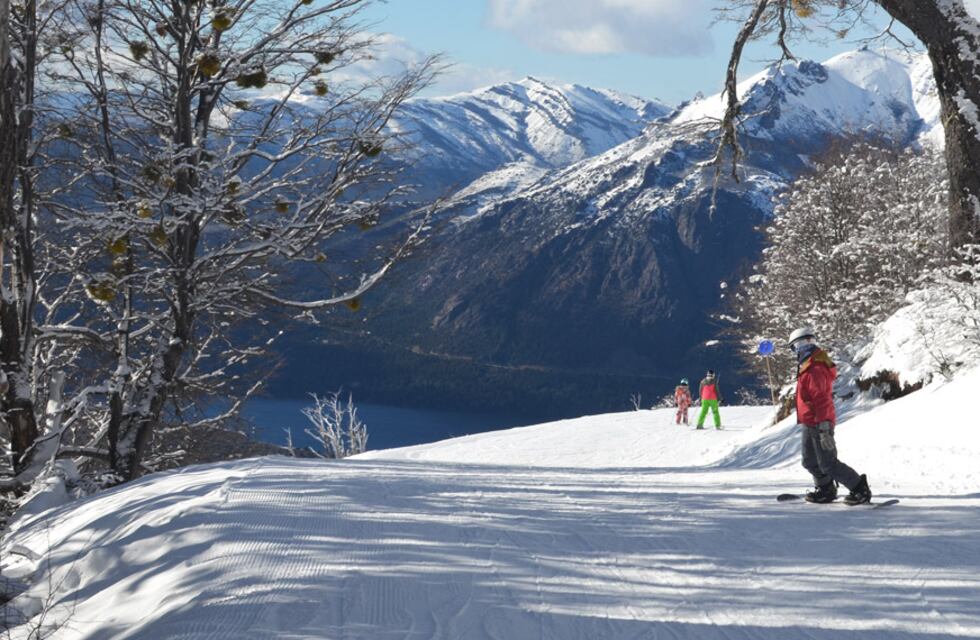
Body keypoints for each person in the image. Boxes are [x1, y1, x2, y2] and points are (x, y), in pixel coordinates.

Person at [789, 327, 872, 505]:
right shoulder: (807, 367)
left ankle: (859, 488)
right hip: (809, 422)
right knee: (809, 461)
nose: (797, 350)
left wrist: (825, 426)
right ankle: (826, 488)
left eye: (798, 346)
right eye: (795, 347)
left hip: (820, 423)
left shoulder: (815, 369)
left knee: (827, 463)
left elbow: (822, 399)